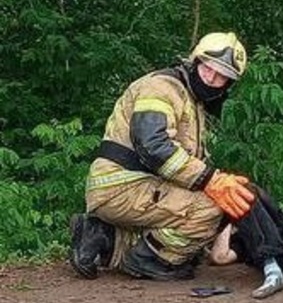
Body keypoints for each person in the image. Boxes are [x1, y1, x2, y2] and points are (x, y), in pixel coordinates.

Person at [69, 32, 257, 281]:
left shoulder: (189, 98)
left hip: (133, 185)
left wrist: (213, 180)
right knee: (212, 209)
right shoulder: (162, 88)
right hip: (123, 185)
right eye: (208, 69)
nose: (212, 79)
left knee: (189, 232)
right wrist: (210, 180)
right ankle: (148, 260)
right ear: (195, 61)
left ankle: (102, 238)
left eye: (222, 77)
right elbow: (153, 146)